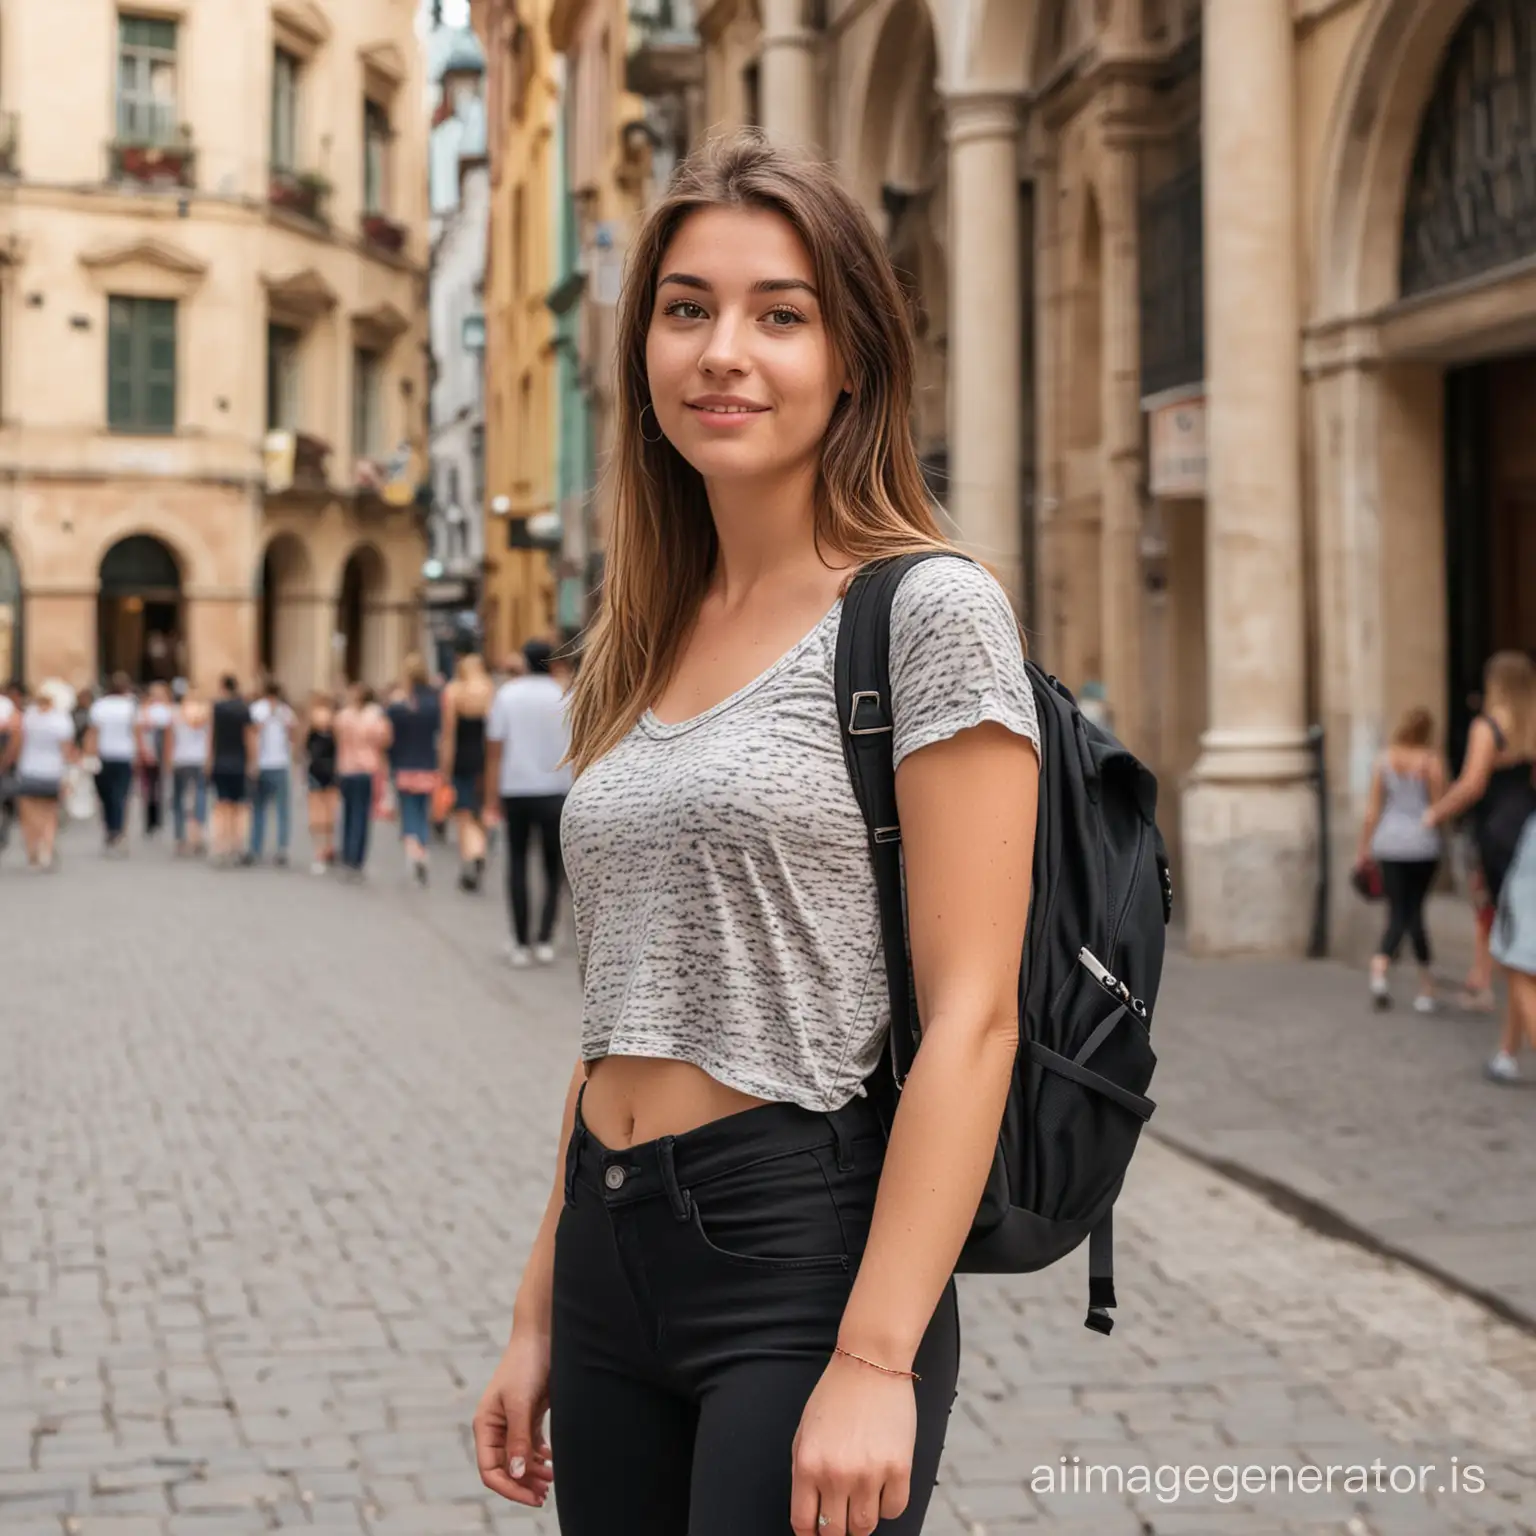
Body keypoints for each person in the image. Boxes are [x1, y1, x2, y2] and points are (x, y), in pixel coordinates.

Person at [471, 133, 1039, 1536]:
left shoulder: (928, 610)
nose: (724, 350)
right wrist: (542, 1306)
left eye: (779, 313)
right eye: (686, 309)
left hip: (801, 1252)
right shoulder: (642, 637)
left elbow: (975, 1016)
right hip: (610, 1244)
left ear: (852, 358)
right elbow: (613, 1013)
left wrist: (873, 1357)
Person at [1425, 651, 1536, 1081]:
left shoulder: (1487, 727)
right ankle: (1506, 1052)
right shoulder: (1530, 725)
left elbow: (1472, 784)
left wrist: (1435, 813)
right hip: (1532, 830)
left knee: (1515, 956)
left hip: (1502, 838)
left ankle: (1511, 1052)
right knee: (1519, 949)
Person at [486, 638, 574, 965]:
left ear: (524, 661)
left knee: (518, 863)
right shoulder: (565, 695)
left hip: (516, 788)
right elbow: (577, 747)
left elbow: (495, 750)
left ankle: (520, 940)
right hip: (556, 788)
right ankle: (545, 938)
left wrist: (490, 796)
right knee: (553, 868)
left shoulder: (508, 695)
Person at [1354, 706, 1445, 1012]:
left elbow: (1371, 811)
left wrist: (1363, 849)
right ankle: (1426, 987)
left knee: (1396, 911)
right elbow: (1438, 806)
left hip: (1389, 842)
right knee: (1415, 912)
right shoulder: (1431, 762)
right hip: (1422, 843)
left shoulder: (1383, 760)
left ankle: (1379, 971)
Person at [4, 683, 76, 871]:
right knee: (49, 814)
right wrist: (68, 774)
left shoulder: (28, 717)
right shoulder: (61, 720)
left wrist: (7, 763)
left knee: (28, 815)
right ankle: (47, 847)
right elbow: (66, 751)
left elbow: (16, 745)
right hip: (52, 771)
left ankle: (33, 851)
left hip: (29, 770)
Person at [440, 648, 495, 890]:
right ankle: (480, 848)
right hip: (485, 758)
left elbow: (448, 734)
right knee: (480, 811)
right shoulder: (490, 690)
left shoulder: (454, 692)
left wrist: (444, 768)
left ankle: (471, 856)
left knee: (463, 813)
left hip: (462, 758)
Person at [386, 654, 442, 886]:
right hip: (428, 765)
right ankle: (423, 849)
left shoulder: (399, 705)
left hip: (404, 766)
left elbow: (388, 736)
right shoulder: (433, 703)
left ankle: (415, 853)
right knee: (422, 813)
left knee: (408, 813)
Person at [334, 682, 392, 879]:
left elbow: (337, 735)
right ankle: (356, 856)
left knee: (348, 812)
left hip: (347, 767)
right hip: (366, 768)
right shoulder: (374, 718)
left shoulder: (344, 716)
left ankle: (347, 852)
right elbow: (385, 740)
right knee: (360, 814)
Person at [86, 673, 138, 854]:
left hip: (104, 756)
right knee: (120, 795)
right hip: (124, 755)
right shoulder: (130, 706)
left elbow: (93, 733)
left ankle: (110, 829)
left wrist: (89, 754)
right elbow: (136, 732)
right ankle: (118, 830)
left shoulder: (99, 706)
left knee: (106, 796)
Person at [207, 675, 255, 866]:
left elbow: (212, 736)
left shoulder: (217, 708)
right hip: (239, 762)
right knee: (239, 808)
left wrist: (209, 760)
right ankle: (237, 845)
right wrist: (253, 762)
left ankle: (221, 846)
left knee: (222, 806)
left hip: (221, 761)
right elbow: (249, 737)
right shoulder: (244, 709)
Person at [249, 680, 297, 866]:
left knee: (262, 808)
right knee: (277, 809)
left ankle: (258, 847)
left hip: (271, 762)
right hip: (275, 763)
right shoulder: (277, 710)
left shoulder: (271, 710)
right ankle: (280, 847)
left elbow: (291, 734)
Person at [170, 684, 211, 856]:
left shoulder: (176, 713)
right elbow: (210, 738)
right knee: (200, 796)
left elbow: (170, 738)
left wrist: (169, 759)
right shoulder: (206, 713)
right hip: (200, 758)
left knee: (179, 798)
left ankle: (181, 837)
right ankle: (198, 834)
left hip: (181, 758)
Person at [305, 692, 340, 875]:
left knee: (320, 814)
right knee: (326, 814)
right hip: (327, 772)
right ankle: (325, 848)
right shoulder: (334, 730)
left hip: (319, 772)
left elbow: (304, 750)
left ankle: (322, 850)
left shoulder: (314, 731)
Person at [136, 681, 174, 838]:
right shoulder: (145, 710)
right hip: (149, 751)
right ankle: (150, 820)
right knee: (148, 787)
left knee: (159, 787)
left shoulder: (166, 710)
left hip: (158, 750)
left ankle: (157, 819)